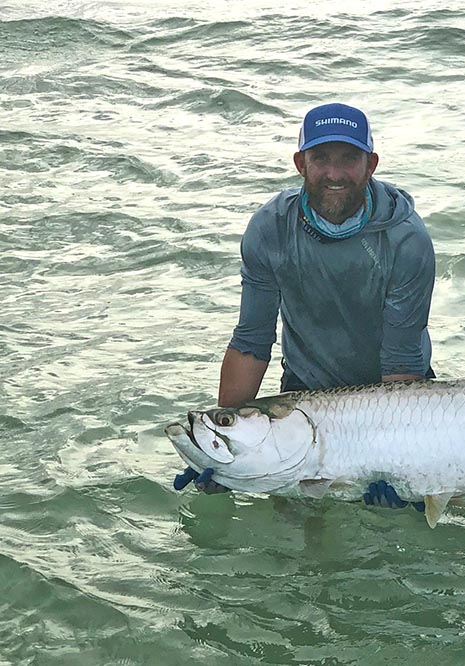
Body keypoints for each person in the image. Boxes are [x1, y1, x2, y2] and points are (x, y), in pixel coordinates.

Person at [174, 102, 434, 511]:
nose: (334, 173)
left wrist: (395, 462)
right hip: (301, 398)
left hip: (395, 400)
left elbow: (401, 360)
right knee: (298, 540)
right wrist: (222, 451)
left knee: (390, 526)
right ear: (300, 163)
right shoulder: (271, 228)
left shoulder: (406, 240)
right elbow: (251, 341)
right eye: (320, 159)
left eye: (349, 159)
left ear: (371, 164)